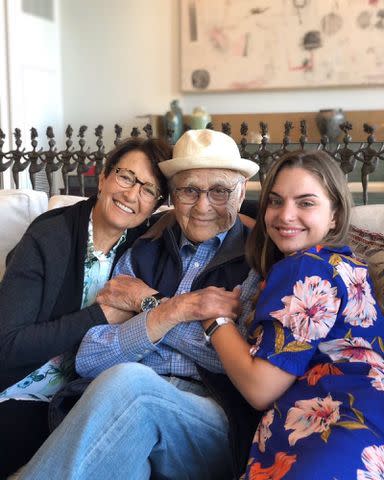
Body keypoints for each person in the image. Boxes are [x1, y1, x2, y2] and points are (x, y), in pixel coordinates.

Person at [19, 128, 261, 480]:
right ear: (173, 196)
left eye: (220, 191)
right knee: (126, 439)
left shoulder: (257, 261)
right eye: (189, 190)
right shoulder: (145, 249)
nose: (203, 206)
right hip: (122, 405)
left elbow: (237, 365)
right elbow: (90, 356)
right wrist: (181, 312)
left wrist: (152, 310)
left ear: (240, 194)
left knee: (132, 385)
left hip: (212, 417)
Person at [202, 150, 384, 479]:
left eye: (306, 203)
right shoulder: (346, 265)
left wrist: (214, 320)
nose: (286, 215)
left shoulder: (305, 268)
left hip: (327, 442)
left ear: (335, 216)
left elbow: (260, 388)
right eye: (275, 201)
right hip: (368, 435)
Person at [0, 137, 171, 477]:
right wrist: (100, 315)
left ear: (156, 206)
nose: (132, 195)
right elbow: (7, 345)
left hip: (80, 399)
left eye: (148, 190)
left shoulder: (145, 246)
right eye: (126, 177)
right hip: (19, 390)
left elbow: (215, 215)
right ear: (104, 176)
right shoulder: (50, 237)